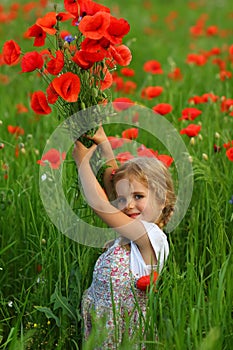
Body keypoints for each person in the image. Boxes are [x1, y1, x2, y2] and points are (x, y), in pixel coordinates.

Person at [72, 126, 176, 349]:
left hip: (125, 340)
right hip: (103, 334)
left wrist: (82, 164)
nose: (127, 205)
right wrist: (104, 144)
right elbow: (112, 193)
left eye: (138, 196)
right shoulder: (128, 236)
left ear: (162, 198)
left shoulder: (150, 237)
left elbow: (102, 204)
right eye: (123, 199)